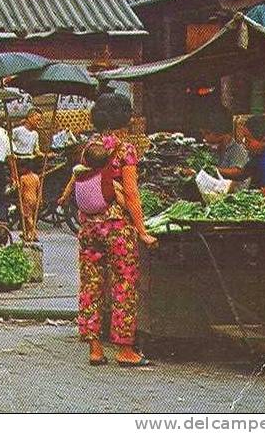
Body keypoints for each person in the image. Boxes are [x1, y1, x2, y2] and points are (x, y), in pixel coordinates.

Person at [67, 93, 157, 368]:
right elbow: (130, 192)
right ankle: (124, 349)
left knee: (91, 285)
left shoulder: (88, 147)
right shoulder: (124, 149)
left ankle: (95, 348)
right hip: (117, 227)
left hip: (89, 225)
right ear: (125, 117)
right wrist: (141, 229)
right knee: (124, 284)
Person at [13, 111, 44, 242]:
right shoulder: (17, 131)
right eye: (37, 119)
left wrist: (43, 154)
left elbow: (36, 150)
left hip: (30, 161)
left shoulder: (35, 134)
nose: (38, 122)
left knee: (28, 206)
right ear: (29, 118)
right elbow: (9, 143)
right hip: (19, 162)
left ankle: (28, 230)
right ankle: (29, 230)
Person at [194, 106, 249, 180]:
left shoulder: (238, 150)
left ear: (221, 132)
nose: (205, 138)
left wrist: (214, 170)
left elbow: (238, 171)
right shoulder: (217, 148)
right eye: (203, 134)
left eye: (208, 133)